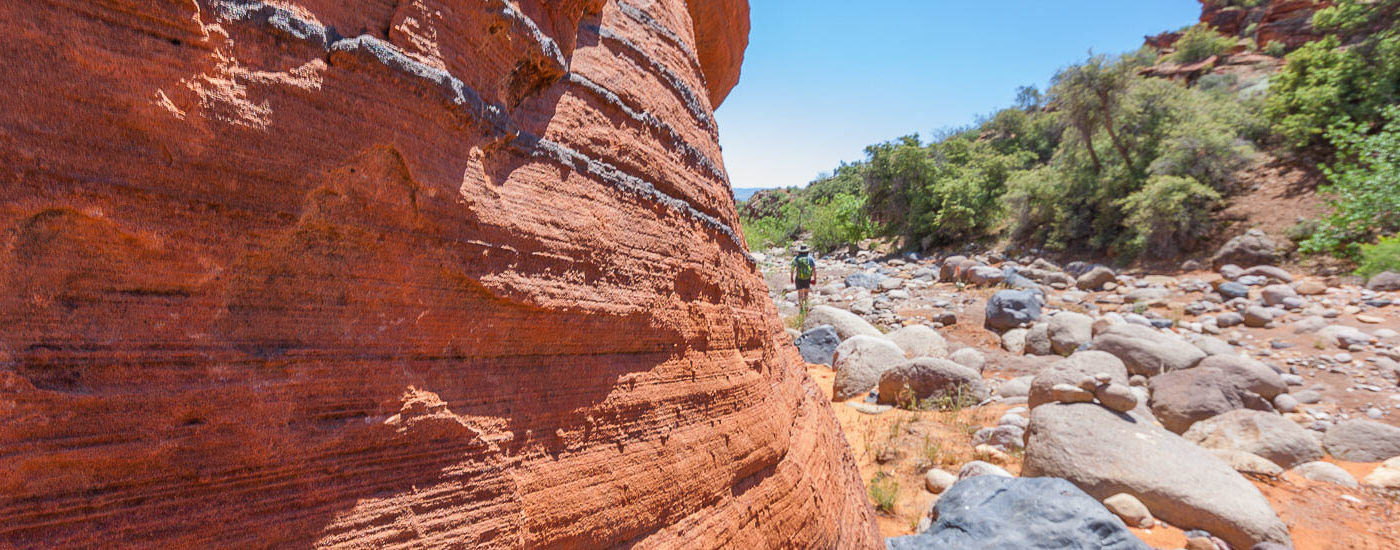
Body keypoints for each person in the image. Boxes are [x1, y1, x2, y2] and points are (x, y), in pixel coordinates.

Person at [790, 244, 816, 312]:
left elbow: (792, 268)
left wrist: (791, 278)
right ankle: (806, 307)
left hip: (799, 278)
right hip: (807, 278)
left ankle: (801, 308)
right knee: (806, 294)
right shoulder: (810, 258)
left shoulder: (796, 258)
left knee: (800, 293)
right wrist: (814, 279)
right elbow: (814, 269)